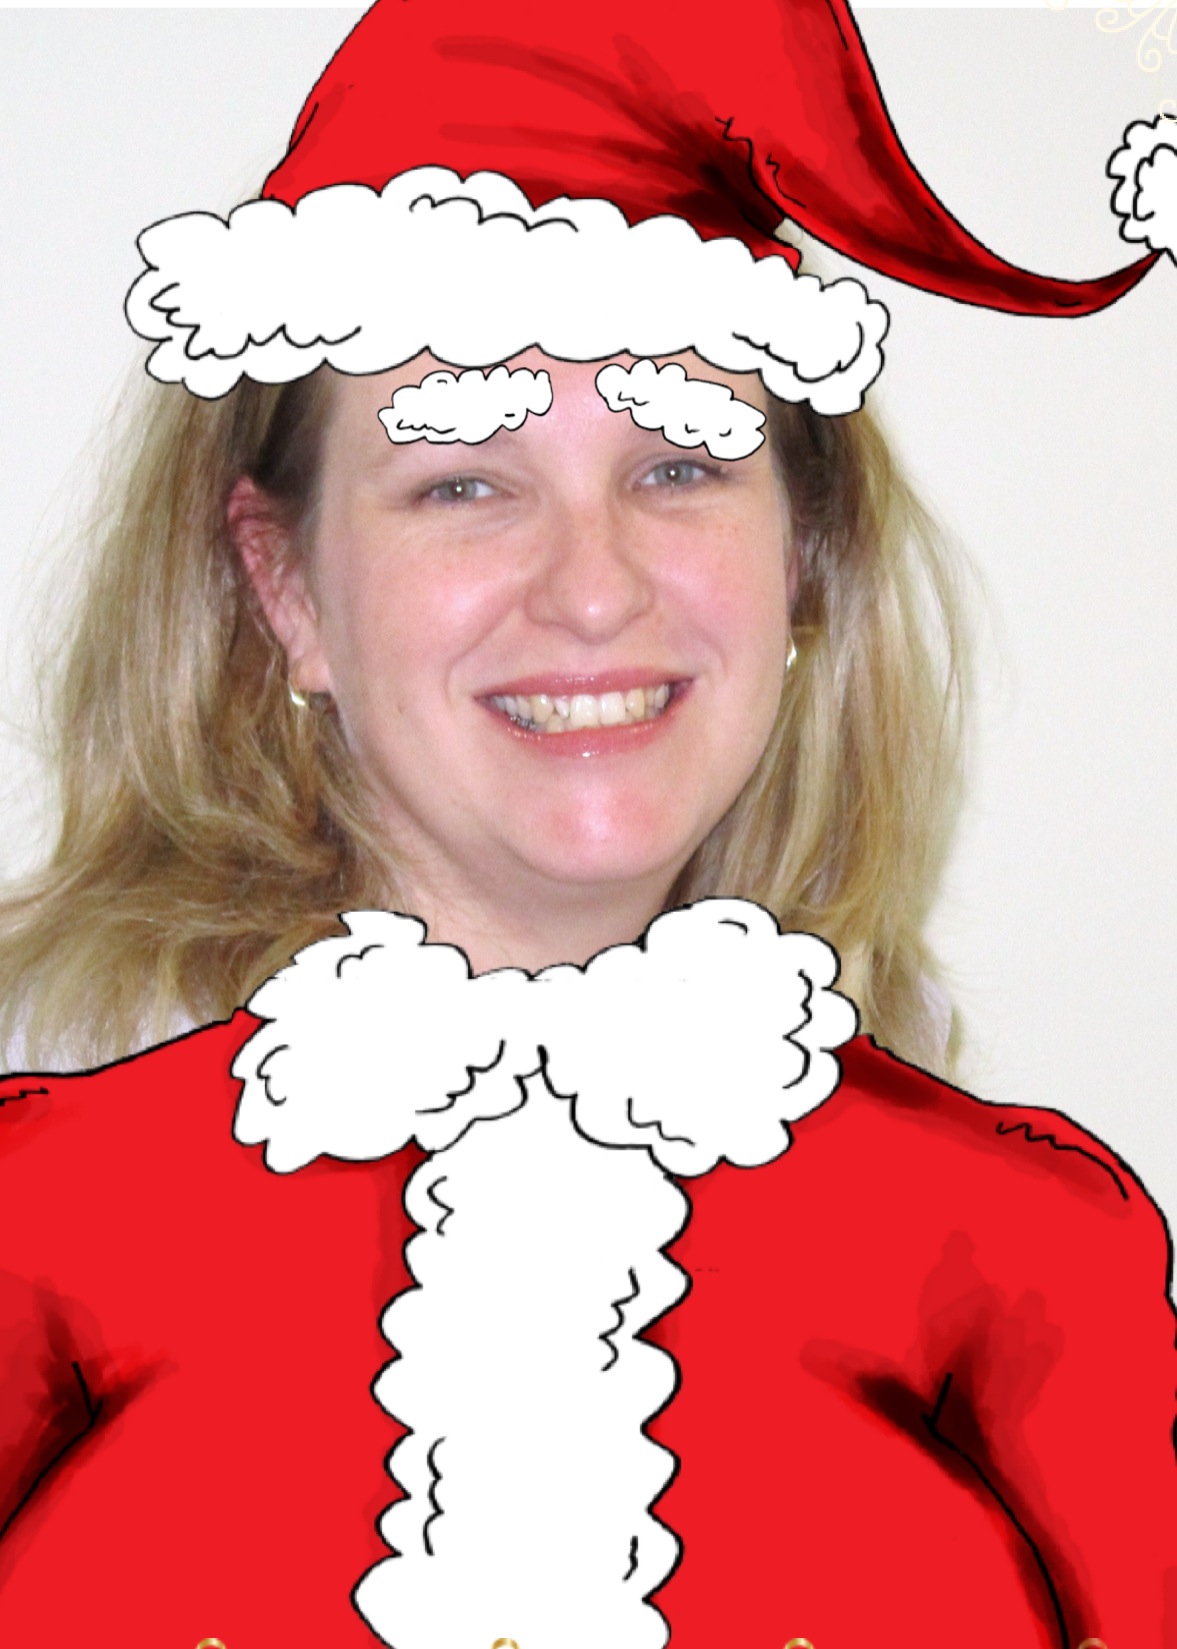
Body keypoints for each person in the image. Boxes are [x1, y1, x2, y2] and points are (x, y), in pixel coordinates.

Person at [0, 1, 1174, 1645]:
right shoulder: (30, 1222)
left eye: (677, 468)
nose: (594, 588)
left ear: (803, 563)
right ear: (286, 588)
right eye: (463, 482)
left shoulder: (1035, 1242)